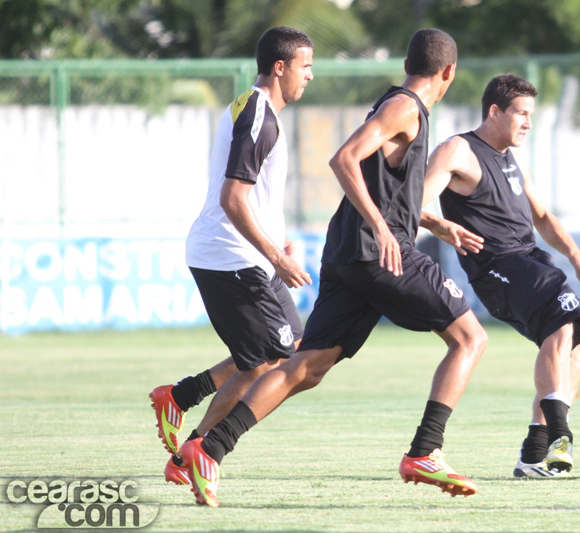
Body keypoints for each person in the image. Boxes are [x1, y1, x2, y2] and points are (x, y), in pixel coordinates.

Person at [178, 28, 488, 507]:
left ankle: (209, 448)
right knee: (471, 338)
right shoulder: (406, 108)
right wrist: (384, 229)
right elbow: (343, 159)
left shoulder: (398, 105)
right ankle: (426, 451)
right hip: (379, 252)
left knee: (307, 365)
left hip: (347, 255)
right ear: (449, 72)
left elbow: (385, 187)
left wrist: (434, 222)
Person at [420, 73, 580, 477]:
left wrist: (578, 258)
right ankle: (561, 433)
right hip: (497, 269)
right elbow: (415, 203)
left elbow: (542, 217)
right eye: (521, 113)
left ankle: (534, 452)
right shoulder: (458, 150)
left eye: (531, 114)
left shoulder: (513, 158)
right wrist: (441, 228)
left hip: (531, 261)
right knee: (562, 325)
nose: (527, 122)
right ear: (494, 111)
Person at [149, 26, 314, 486]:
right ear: (280, 67)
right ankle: (198, 452)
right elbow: (232, 197)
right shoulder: (259, 115)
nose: (311, 76)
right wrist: (275, 256)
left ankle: (185, 413)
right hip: (231, 257)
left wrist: (276, 240)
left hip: (243, 255)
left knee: (281, 354)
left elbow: (252, 195)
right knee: (268, 362)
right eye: (305, 66)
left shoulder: (255, 108)